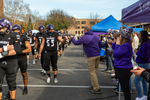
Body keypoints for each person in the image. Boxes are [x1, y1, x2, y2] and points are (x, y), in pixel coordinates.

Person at [71, 26, 102, 94]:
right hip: (97, 55)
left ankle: (97, 88)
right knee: (94, 71)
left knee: (92, 72)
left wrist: (71, 38)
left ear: (86, 30)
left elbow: (76, 43)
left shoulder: (85, 37)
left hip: (91, 56)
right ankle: (94, 85)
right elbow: (100, 44)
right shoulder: (96, 36)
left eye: (84, 30)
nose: (83, 31)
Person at [0, 18, 21, 100]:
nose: (0, 30)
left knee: (11, 83)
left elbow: (17, 50)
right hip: (0, 62)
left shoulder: (14, 35)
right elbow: (10, 49)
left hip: (11, 62)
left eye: (2, 28)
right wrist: (5, 49)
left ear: (7, 27)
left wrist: (2, 54)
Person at [113, 28, 133, 100]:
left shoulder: (125, 45)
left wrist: (117, 45)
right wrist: (116, 42)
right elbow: (113, 48)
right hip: (122, 68)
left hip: (123, 69)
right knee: (125, 88)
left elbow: (115, 54)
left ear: (123, 37)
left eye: (120, 35)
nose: (119, 37)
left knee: (125, 89)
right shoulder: (124, 44)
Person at [133, 30, 150, 100]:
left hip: (143, 64)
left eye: (139, 34)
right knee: (144, 81)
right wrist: (138, 50)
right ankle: (145, 95)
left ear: (142, 36)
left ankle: (139, 96)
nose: (138, 35)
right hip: (144, 63)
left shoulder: (145, 44)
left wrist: (137, 52)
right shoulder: (145, 43)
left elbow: (144, 56)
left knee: (136, 81)